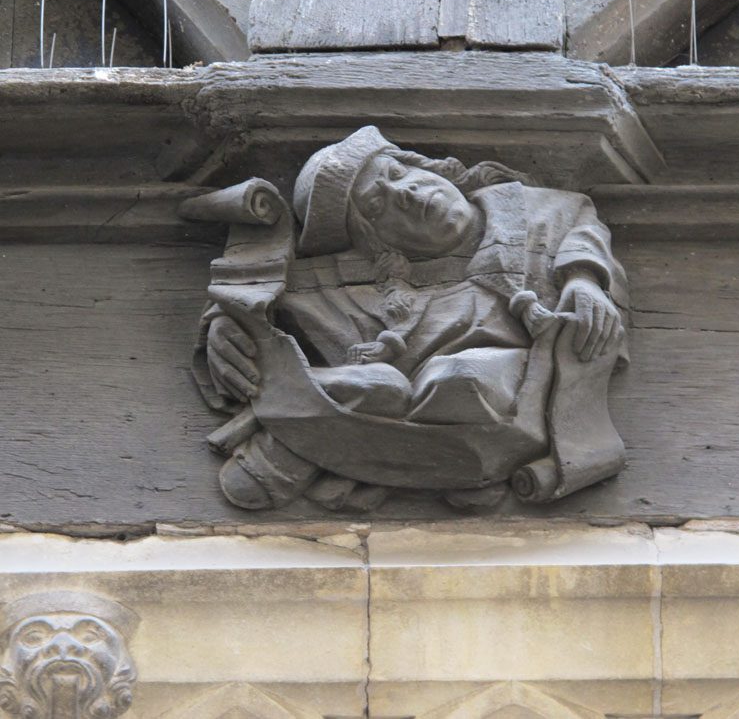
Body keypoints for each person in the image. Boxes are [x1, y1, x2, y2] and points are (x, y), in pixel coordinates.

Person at [195, 127, 628, 512]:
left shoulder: (534, 210)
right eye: (378, 205)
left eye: (399, 173)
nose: (409, 195)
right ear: (373, 243)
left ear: (429, 167)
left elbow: (580, 229)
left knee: (457, 377)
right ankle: (307, 419)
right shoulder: (372, 288)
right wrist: (225, 321)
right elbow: (272, 290)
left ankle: (299, 432)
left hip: (515, 392)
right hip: (436, 414)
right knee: (381, 384)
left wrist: (585, 280)